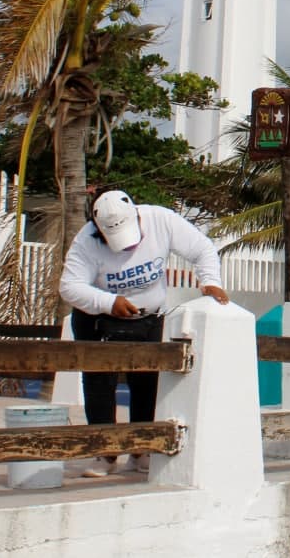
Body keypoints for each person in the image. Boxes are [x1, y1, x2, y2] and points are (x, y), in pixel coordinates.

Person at [59, 189, 228, 477]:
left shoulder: (161, 220)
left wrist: (210, 281)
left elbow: (202, 249)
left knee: (148, 382)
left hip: (148, 317)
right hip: (97, 319)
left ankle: (141, 450)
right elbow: (70, 286)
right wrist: (109, 302)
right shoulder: (85, 241)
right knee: (99, 384)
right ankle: (104, 452)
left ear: (137, 216)